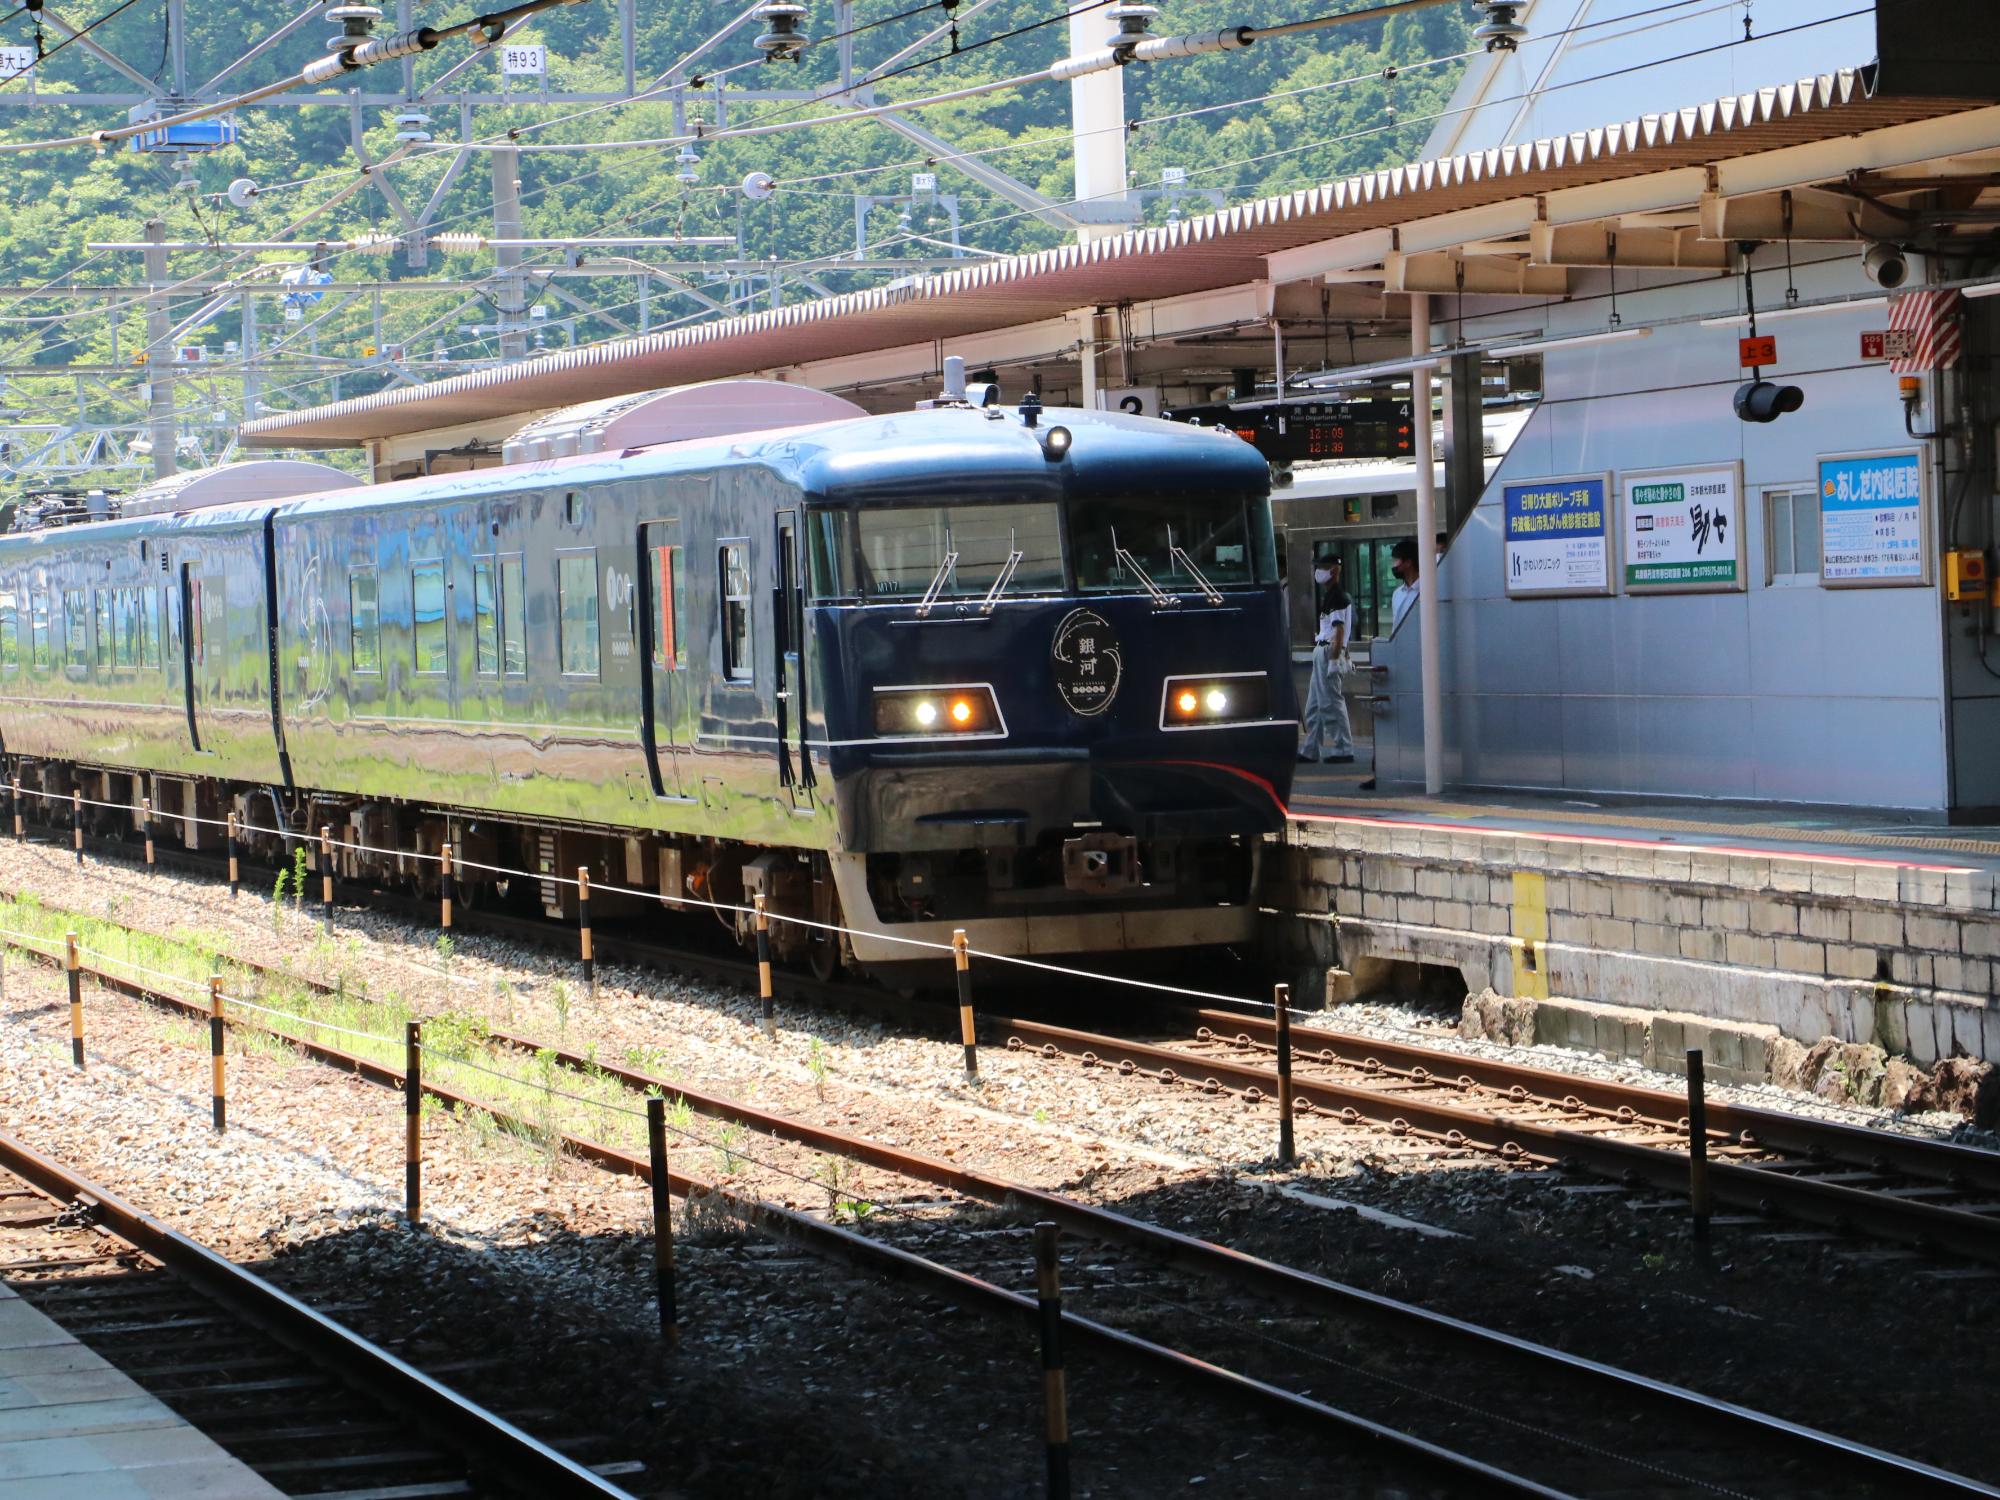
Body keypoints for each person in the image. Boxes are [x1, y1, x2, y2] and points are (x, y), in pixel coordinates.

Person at [1298, 556, 1355, 764]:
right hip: (1322, 650)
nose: (1318, 571)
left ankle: (1344, 749)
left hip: (1328, 652)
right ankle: (1310, 749)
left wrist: (1334, 660)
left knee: (1331, 703)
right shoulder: (1331, 596)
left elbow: (1339, 632)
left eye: (1323, 567)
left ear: (1334, 570)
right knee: (1314, 706)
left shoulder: (1338, 597)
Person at [1389, 536, 1421, 633]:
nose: (1393, 565)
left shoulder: (1427, 592)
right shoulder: (1397, 594)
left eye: (1396, 560)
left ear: (1408, 563)